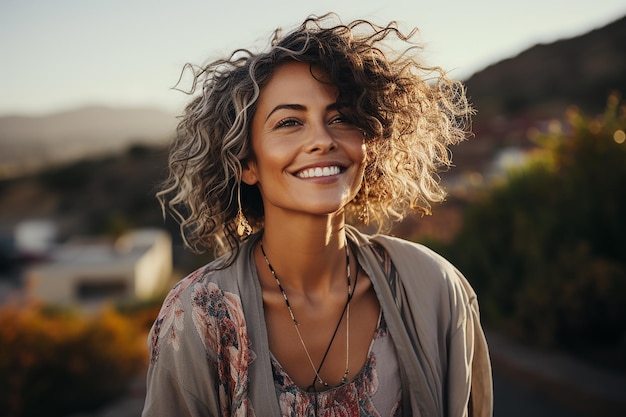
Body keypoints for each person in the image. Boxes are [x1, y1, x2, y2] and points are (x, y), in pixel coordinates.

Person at [142, 13, 493, 417]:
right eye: (289, 122)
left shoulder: (434, 288)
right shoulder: (198, 316)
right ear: (247, 163)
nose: (322, 140)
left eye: (341, 118)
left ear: (369, 143)